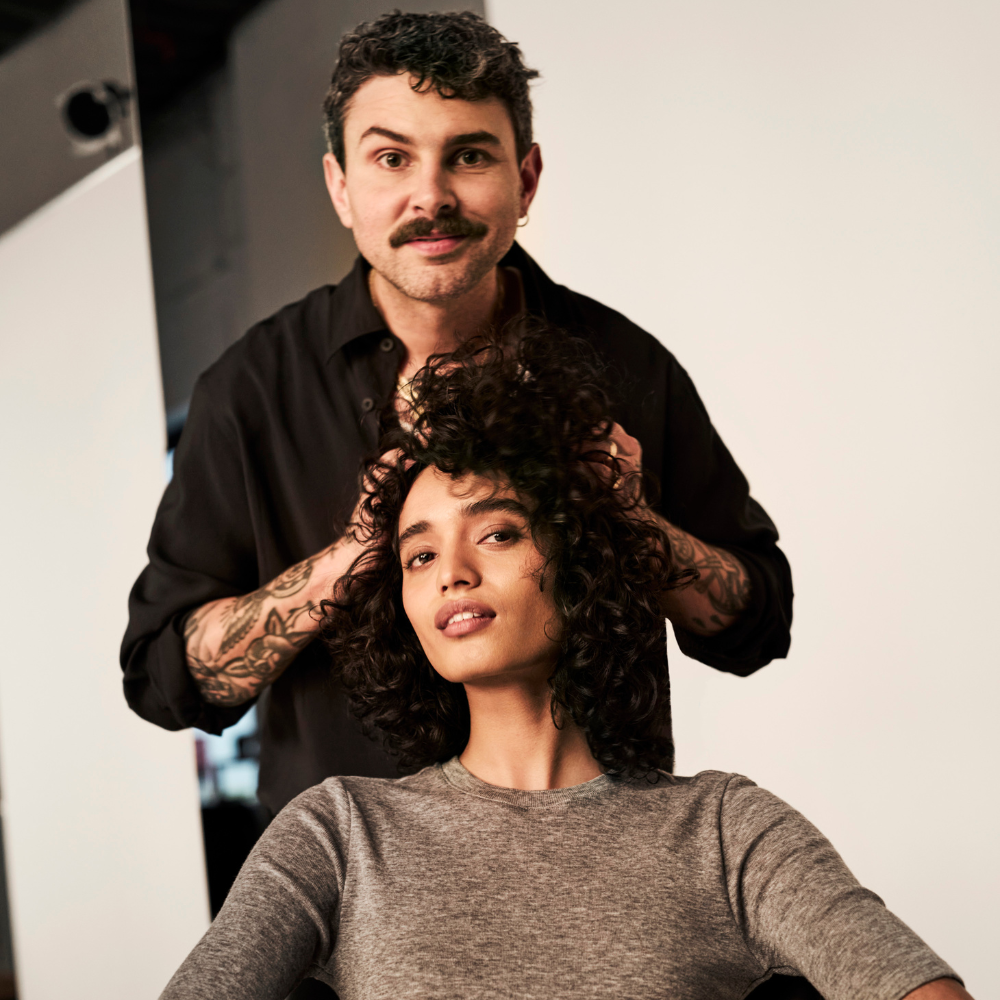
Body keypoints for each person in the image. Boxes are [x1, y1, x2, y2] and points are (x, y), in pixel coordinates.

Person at [122, 10, 793, 819]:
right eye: (391, 158)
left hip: (605, 854)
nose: (430, 197)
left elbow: (756, 624)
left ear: (526, 178)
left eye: (469, 156)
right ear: (341, 186)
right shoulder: (251, 390)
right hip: (352, 874)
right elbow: (163, 677)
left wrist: (629, 523)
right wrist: (350, 561)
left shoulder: (627, 363)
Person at [159, 333, 966, 1000]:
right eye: (419, 555)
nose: (452, 574)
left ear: (580, 561)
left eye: (498, 533)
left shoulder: (724, 830)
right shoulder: (339, 833)